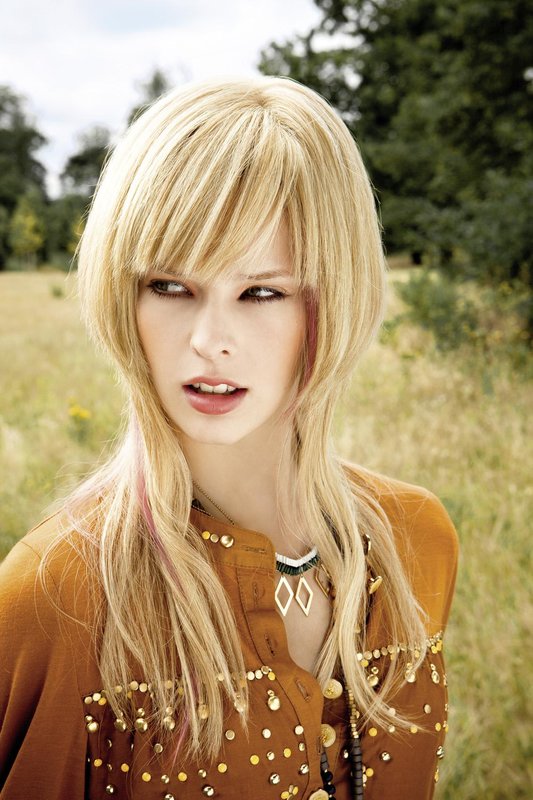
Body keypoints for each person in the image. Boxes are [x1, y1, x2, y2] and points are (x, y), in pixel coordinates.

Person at [0, 77, 459, 800]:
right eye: (169, 286)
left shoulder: (417, 542)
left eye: (261, 292)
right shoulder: (58, 594)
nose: (208, 341)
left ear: (332, 301)